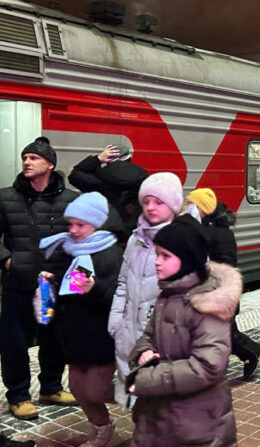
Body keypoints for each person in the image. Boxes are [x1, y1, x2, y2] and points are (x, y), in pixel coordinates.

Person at [127, 215, 240, 446]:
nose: (157, 262)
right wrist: (143, 352)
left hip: (196, 424)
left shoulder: (207, 304)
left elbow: (208, 366)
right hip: (163, 415)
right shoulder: (169, 295)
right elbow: (149, 335)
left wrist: (147, 378)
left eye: (165, 256)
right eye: (157, 254)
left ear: (188, 260)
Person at [0, 137, 78, 420]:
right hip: (17, 285)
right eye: (25, 158)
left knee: (53, 338)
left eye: (33, 158)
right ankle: (19, 395)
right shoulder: (6, 197)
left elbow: (82, 238)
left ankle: (51, 387)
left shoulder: (70, 200)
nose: (27, 162)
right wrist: (8, 260)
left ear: (50, 164)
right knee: (14, 343)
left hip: (50, 286)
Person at [39, 192, 122, 446]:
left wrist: (94, 289)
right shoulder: (67, 250)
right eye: (71, 224)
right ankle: (103, 429)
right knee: (76, 387)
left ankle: (146, 399)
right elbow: (68, 290)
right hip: (74, 334)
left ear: (96, 225)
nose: (73, 230)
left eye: (80, 225)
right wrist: (50, 281)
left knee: (96, 389)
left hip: (101, 335)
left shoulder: (110, 254)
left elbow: (119, 295)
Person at [107, 172, 183, 407]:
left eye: (159, 202)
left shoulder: (184, 240)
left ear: (173, 205)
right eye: (146, 201)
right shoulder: (135, 239)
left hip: (163, 338)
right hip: (130, 333)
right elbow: (123, 283)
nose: (150, 207)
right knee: (139, 401)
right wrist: (117, 321)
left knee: (162, 404)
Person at [186, 188, 260, 379]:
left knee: (225, 333)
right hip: (212, 291)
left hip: (219, 291)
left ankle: (250, 351)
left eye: (190, 203)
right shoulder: (208, 229)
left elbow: (225, 267)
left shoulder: (214, 233)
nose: (186, 205)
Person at [68, 144, 148, 240]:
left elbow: (75, 175)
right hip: (134, 234)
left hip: (105, 233)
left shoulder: (98, 178)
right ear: (128, 156)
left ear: (109, 157)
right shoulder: (143, 177)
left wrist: (97, 159)